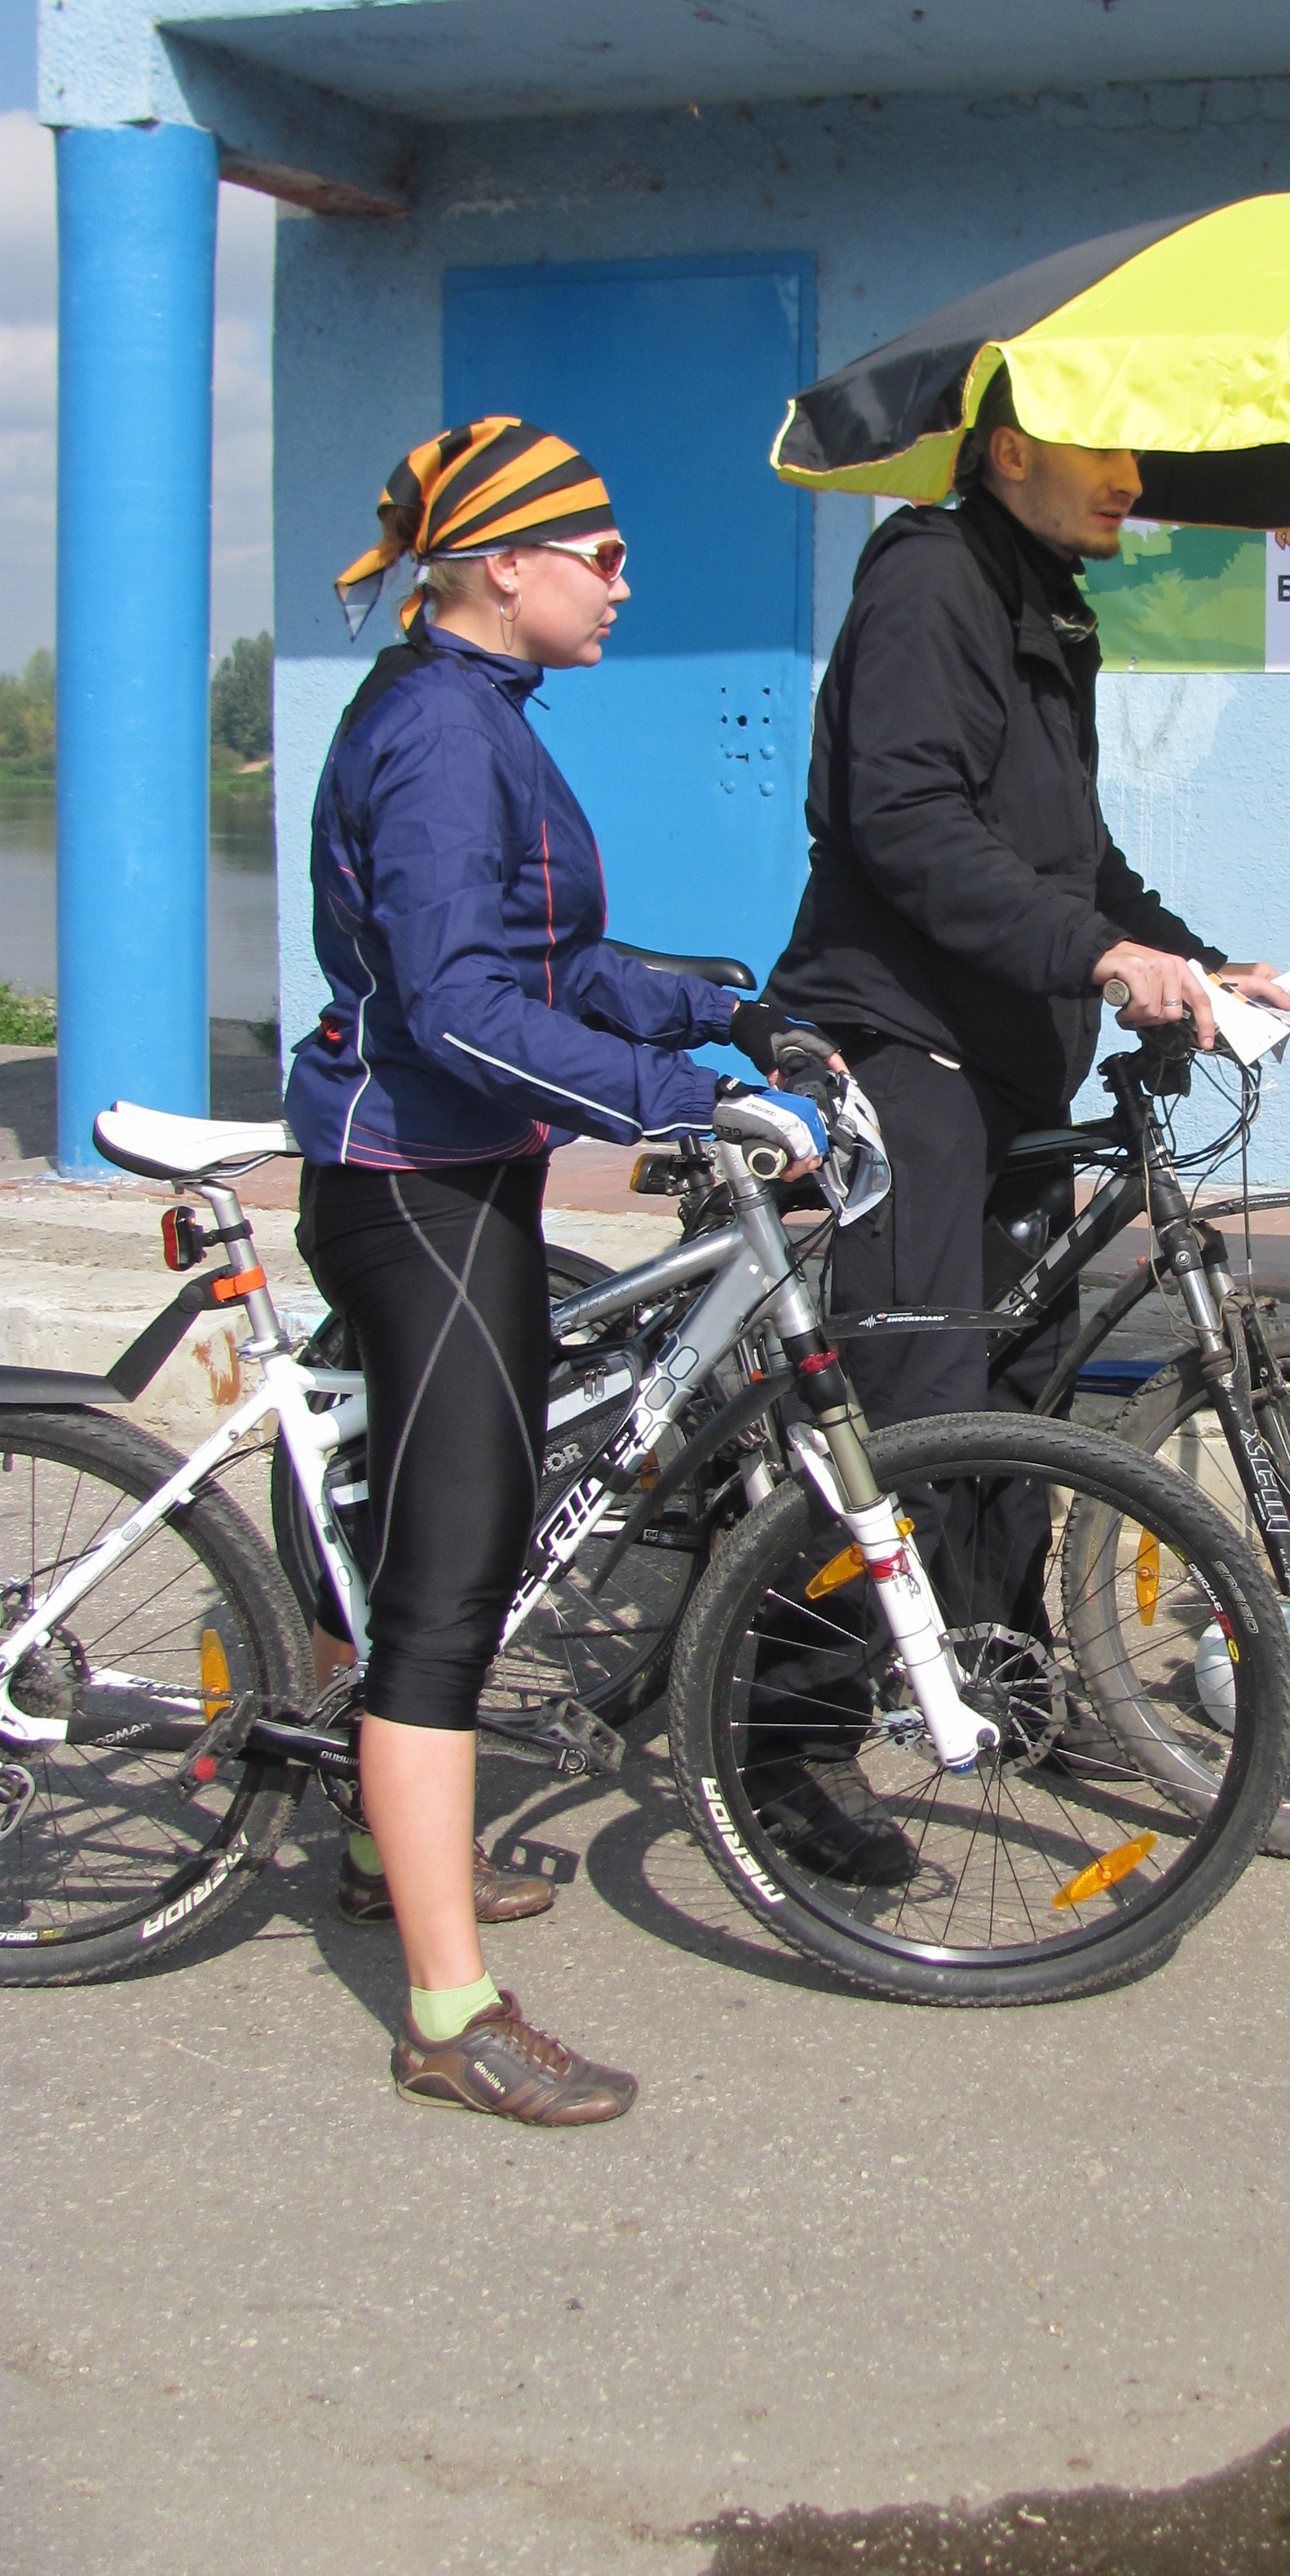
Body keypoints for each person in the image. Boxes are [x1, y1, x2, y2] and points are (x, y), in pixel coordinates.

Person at [287, 417, 828, 2124]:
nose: (622, 581)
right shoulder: (446, 734)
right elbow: (461, 1007)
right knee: (449, 1590)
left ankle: (384, 1844)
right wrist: (686, 1104)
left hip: (453, 1180)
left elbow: (555, 960)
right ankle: (448, 2015)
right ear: (504, 566)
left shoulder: (479, 713)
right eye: (599, 554)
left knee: (431, 1539)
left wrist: (723, 1010)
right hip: (415, 1190)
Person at [758, 374, 1290, 1878]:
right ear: (1010, 451)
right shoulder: (934, 580)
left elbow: (1076, 855)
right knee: (911, 1400)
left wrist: (1198, 963)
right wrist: (1094, 955)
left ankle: (995, 1670)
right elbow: (907, 823)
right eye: (1102, 442)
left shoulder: (1049, 598)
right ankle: (787, 1736)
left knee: (1019, 1382)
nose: (1132, 471)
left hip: (1005, 1057)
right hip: (902, 1043)